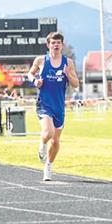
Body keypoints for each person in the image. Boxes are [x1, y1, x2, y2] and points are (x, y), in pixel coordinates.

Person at [27, 32, 79, 181]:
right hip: (44, 103)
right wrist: (35, 81)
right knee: (47, 132)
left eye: (58, 43)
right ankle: (42, 145)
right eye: (53, 42)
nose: (56, 45)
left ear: (62, 45)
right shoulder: (41, 60)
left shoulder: (68, 63)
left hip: (59, 106)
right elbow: (30, 74)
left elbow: (76, 84)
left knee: (55, 141)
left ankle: (48, 166)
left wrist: (69, 75)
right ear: (48, 45)